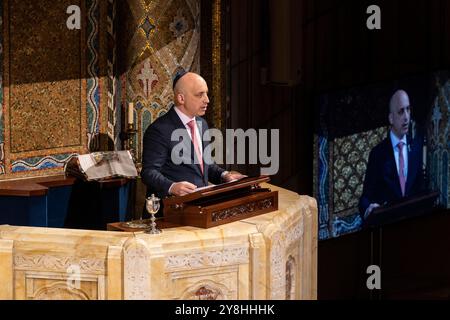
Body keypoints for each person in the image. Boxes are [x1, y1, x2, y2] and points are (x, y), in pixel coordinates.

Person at [141, 71, 244, 208]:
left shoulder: (202, 124)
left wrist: (225, 175)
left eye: (206, 93)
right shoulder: (159, 129)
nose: (207, 99)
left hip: (200, 207)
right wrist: (172, 187)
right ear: (181, 98)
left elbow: (206, 166)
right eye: (200, 94)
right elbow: (148, 172)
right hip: (172, 211)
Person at [359, 89, 425, 220]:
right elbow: (364, 200)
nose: (406, 117)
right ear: (391, 118)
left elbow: (421, 189)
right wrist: (369, 209)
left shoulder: (416, 148)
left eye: (408, 109)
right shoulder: (378, 154)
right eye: (401, 111)